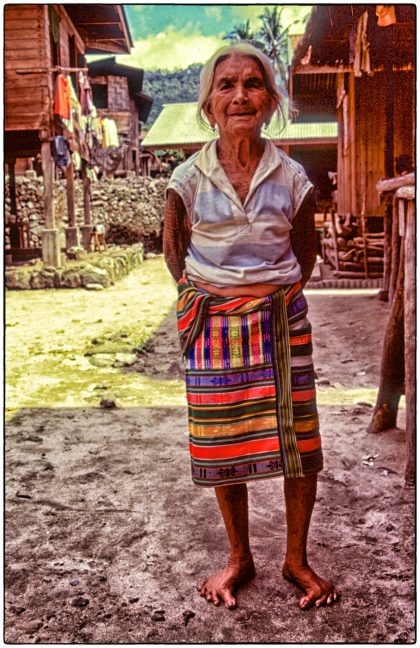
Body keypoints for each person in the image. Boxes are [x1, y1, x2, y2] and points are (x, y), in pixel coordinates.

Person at [163, 43, 340, 611]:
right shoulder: (186, 179)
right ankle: (239, 557)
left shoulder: (292, 177)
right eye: (226, 85)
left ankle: (297, 559)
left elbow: (305, 253)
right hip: (214, 324)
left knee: (300, 444)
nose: (240, 95)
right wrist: (218, 302)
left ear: (270, 100)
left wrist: (267, 299)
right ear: (209, 104)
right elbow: (174, 255)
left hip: (280, 321)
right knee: (223, 444)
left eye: (254, 84)